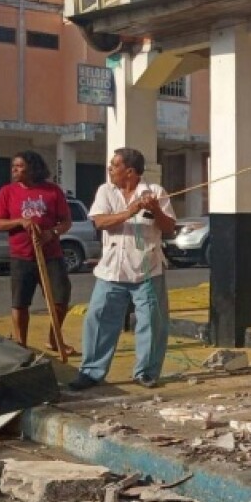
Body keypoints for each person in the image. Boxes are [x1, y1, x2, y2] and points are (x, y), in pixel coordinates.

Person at [70, 148, 176, 391]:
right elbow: (100, 221)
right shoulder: (105, 191)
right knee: (98, 319)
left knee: (151, 322)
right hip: (111, 270)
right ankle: (91, 372)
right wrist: (130, 211)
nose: (109, 168)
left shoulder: (156, 192)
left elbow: (169, 227)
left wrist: (155, 209)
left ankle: (146, 372)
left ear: (129, 171)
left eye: (114, 165)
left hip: (147, 269)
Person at [0, 150, 73, 353]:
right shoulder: (7, 192)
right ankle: (21, 345)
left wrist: (51, 233)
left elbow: (66, 222)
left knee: (60, 299)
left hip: (51, 255)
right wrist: (20, 221)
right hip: (22, 255)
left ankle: (54, 340)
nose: (15, 170)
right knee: (20, 303)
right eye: (13, 166)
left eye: (20, 166)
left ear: (33, 168)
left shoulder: (52, 191)